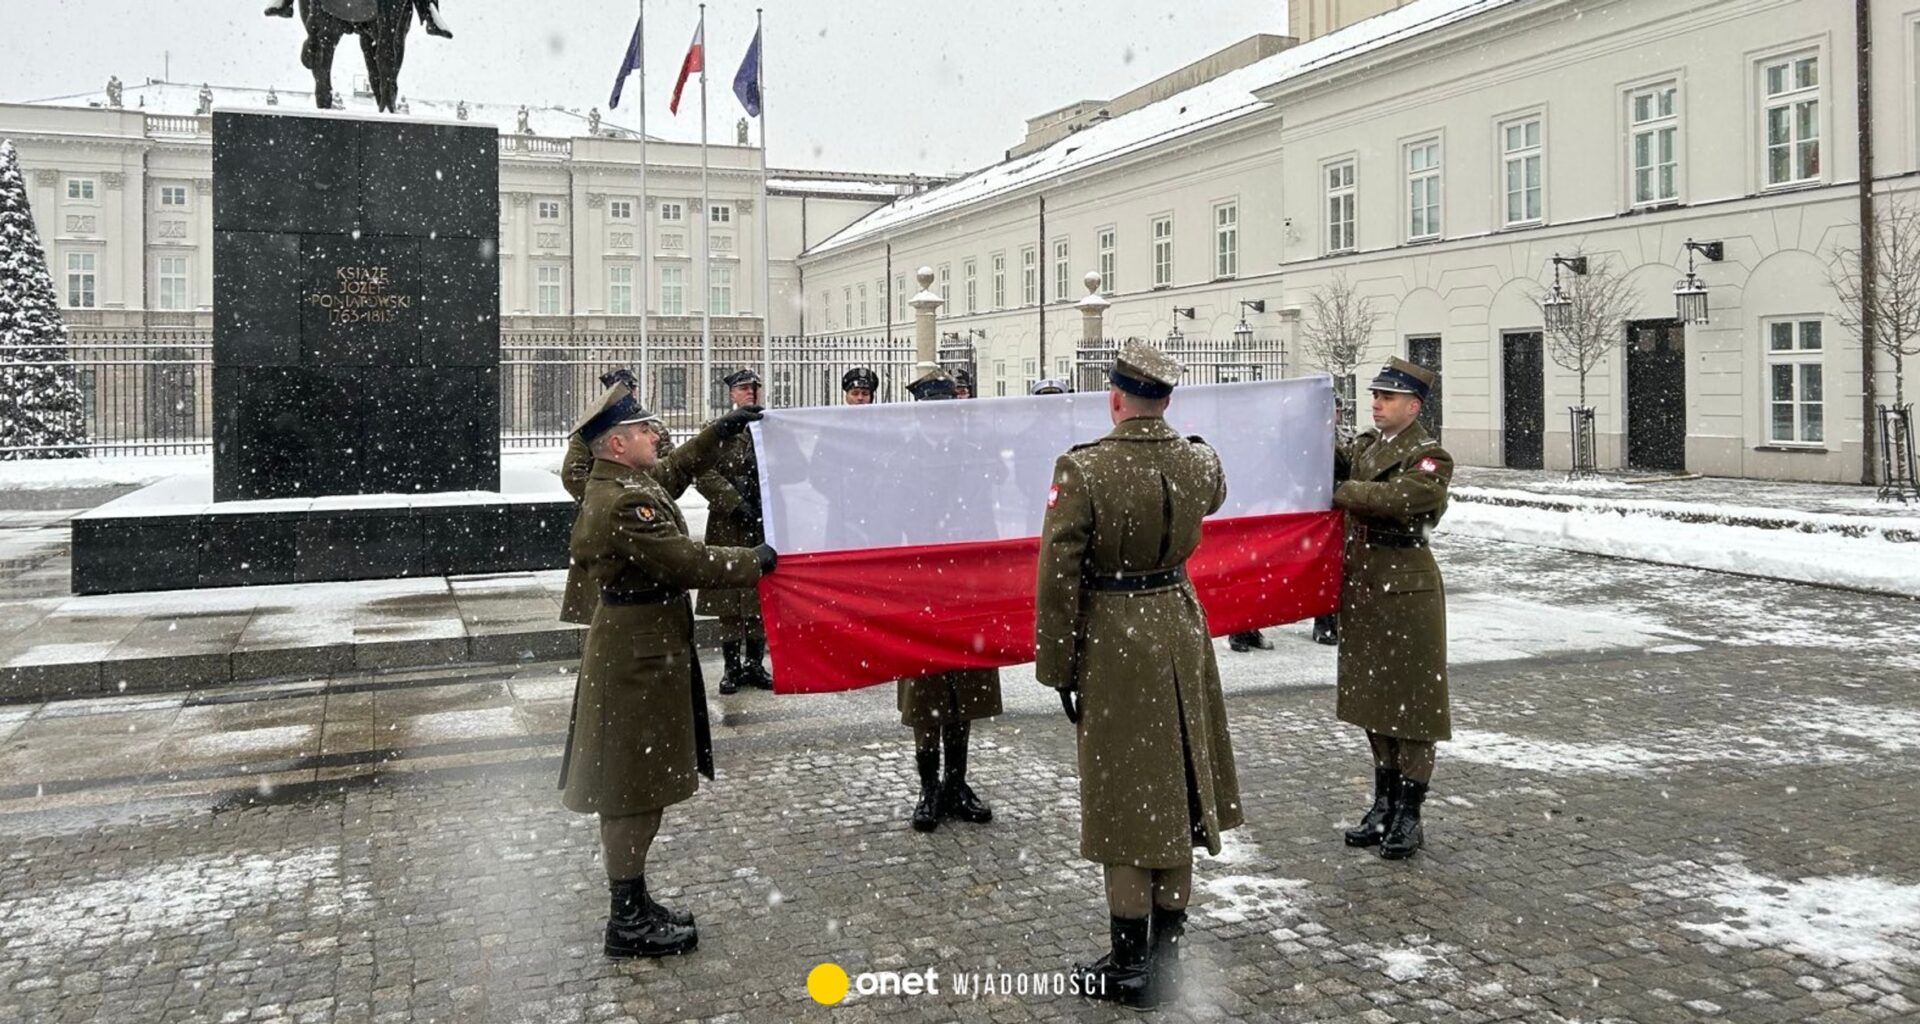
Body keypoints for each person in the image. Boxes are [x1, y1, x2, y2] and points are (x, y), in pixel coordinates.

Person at [1035, 339, 1242, 1009]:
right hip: (1180, 628)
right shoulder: (1195, 462)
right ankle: (1167, 956)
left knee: (1126, 802)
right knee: (1177, 792)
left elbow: (1058, 575)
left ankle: (1130, 964)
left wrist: (1058, 665)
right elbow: (1214, 484)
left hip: (1115, 638)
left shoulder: (1083, 469)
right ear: (1168, 400)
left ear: (1115, 397)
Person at [558, 386, 774, 958]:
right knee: (630, 788)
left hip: (639, 649)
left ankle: (633, 902)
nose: (658, 436)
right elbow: (685, 561)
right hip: (636, 658)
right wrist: (754, 561)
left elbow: (674, 469)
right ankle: (626, 921)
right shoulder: (625, 501)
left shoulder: (625, 483)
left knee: (635, 782)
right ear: (620, 442)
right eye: (647, 430)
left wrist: (718, 432)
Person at [1334, 357, 1452, 860]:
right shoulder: (1366, 447)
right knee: (1373, 699)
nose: (1376, 404)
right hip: (1364, 583)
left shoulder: (1431, 457)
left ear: (1413, 405)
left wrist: (1342, 492)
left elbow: (1399, 500)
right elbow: (1328, 462)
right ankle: (1382, 804)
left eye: (1386, 398)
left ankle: (1410, 814)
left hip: (1407, 589)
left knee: (1414, 706)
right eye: (1374, 397)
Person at [895, 366, 1001, 833]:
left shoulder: (973, 454)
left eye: (945, 410)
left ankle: (958, 783)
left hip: (967, 589)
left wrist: (992, 578)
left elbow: (989, 517)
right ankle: (929, 788)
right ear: (920, 414)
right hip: (921, 589)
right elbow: (888, 519)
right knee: (926, 692)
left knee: (966, 688)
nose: (939, 418)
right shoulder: (904, 456)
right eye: (930, 411)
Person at [560, 369, 671, 626]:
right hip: (608, 523)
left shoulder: (653, 428)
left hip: (646, 512)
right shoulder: (592, 430)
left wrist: (647, 493)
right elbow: (572, 474)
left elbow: (666, 468)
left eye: (630, 387)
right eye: (619, 388)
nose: (630, 393)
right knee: (604, 605)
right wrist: (605, 499)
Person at [695, 369, 772, 694]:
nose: (750, 392)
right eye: (743, 388)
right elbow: (701, 471)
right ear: (731, 395)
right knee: (728, 598)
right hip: (727, 524)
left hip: (760, 521)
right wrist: (732, 498)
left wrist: (760, 495)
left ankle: (755, 664)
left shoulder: (768, 427)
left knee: (758, 595)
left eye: (753, 387)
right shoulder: (716, 432)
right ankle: (731, 667)